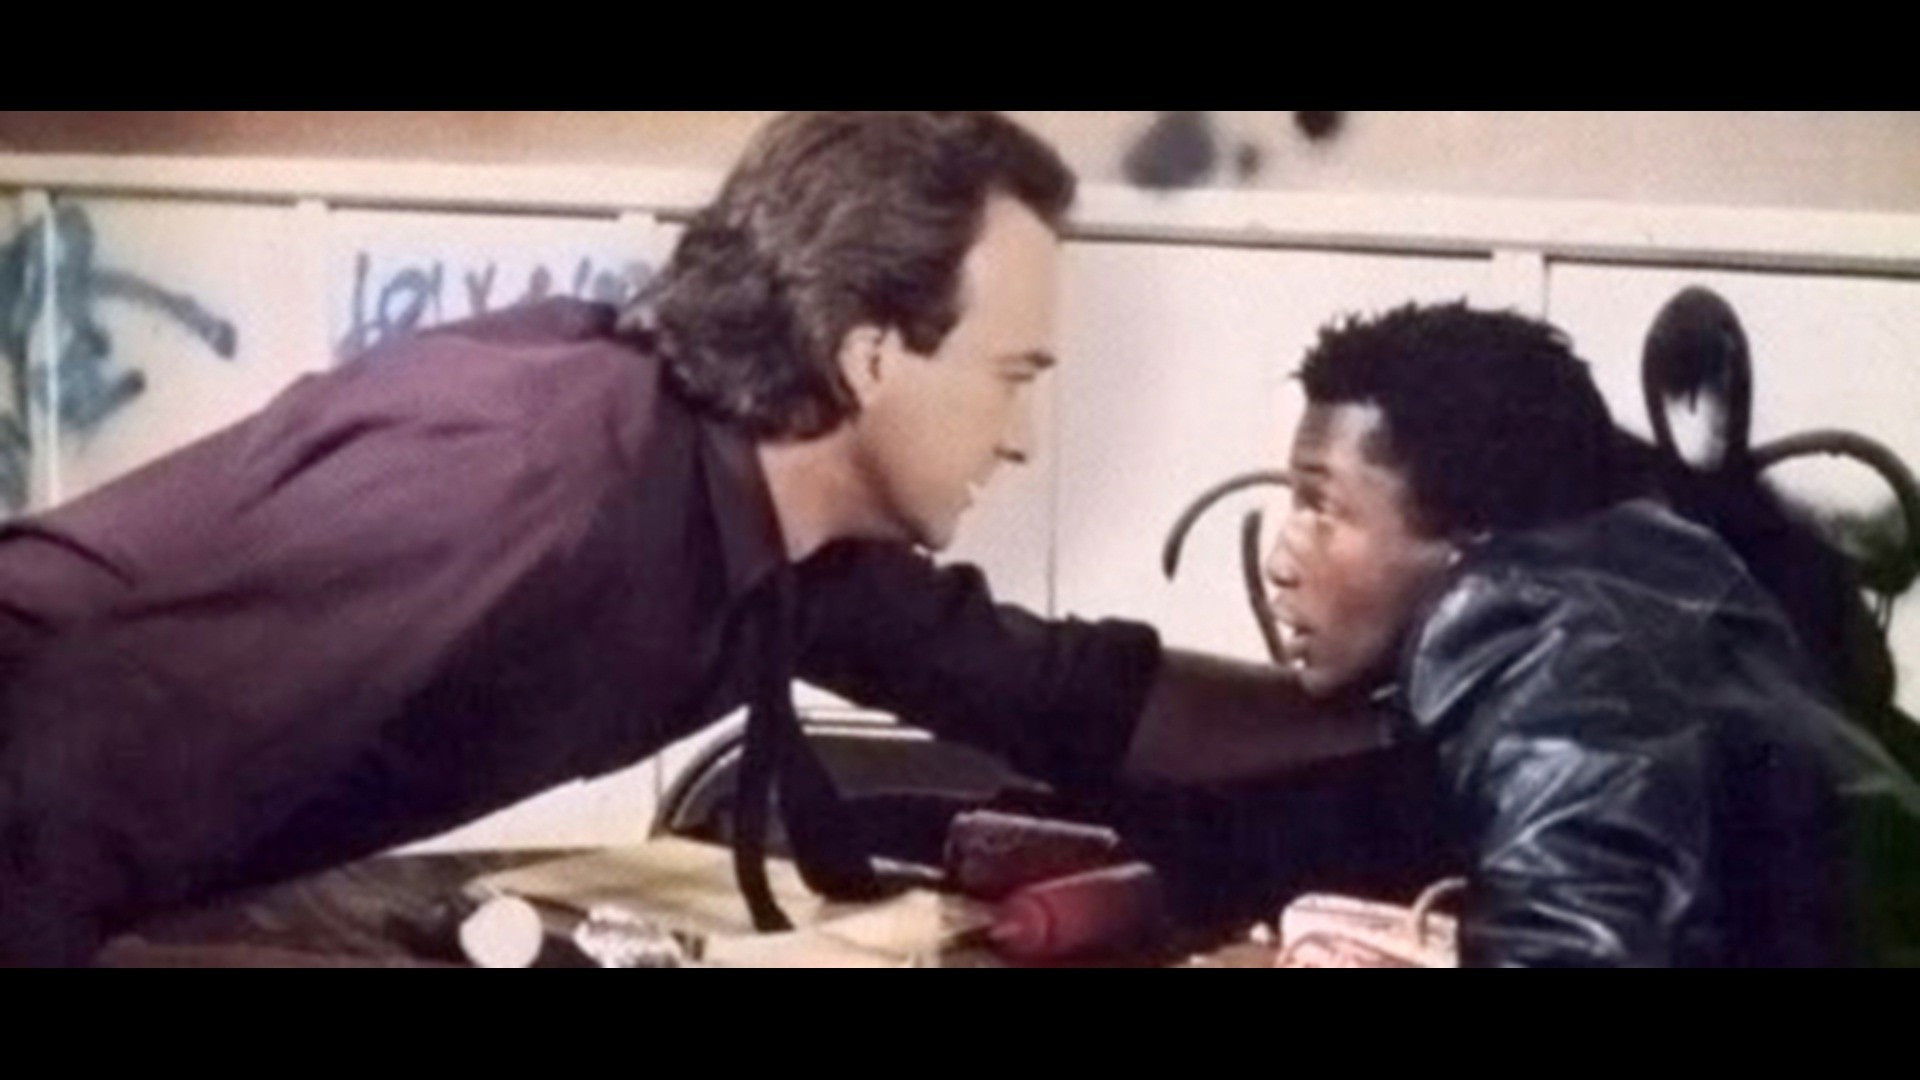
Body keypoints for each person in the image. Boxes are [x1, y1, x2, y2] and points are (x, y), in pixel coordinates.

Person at [0, 111, 1364, 965]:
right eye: (1012, 376)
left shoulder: (789, 532)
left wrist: (1406, 716)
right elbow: (61, 764)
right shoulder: (541, 472)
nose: (1022, 437)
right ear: (871, 355)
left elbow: (1066, 694)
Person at [1261, 300, 1920, 966]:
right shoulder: (1659, 579)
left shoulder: (1547, 652)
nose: (1280, 561)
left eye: (1321, 507)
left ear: (1471, 523)